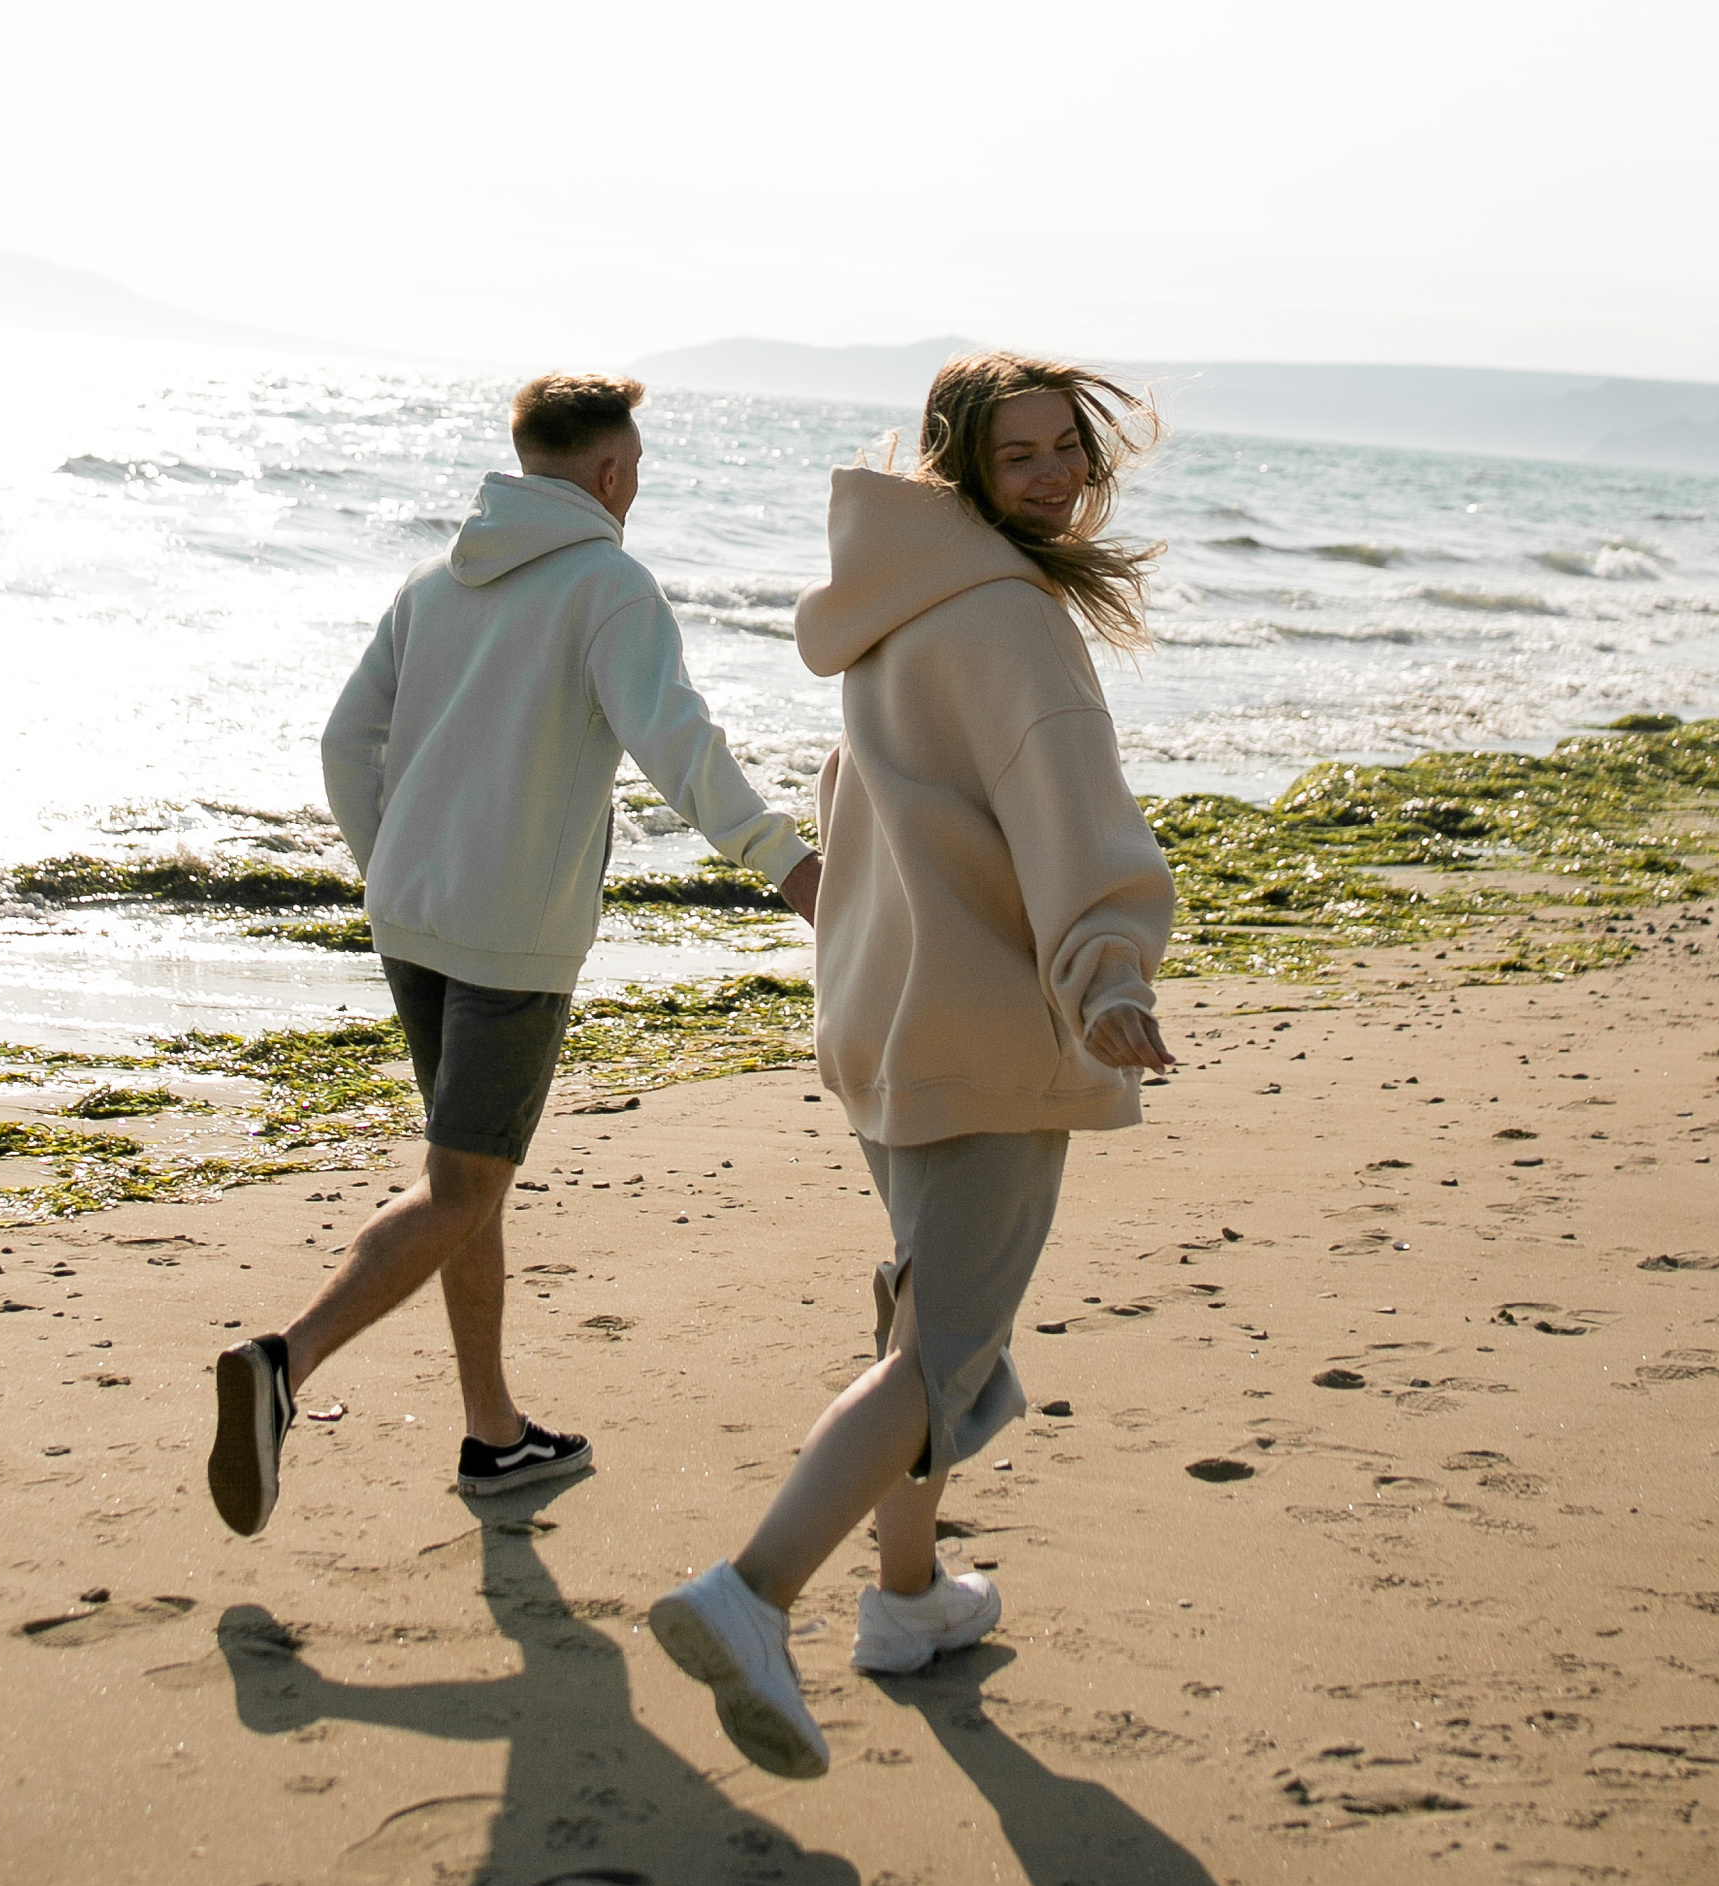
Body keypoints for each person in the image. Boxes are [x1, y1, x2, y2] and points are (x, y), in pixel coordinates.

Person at [649, 351, 1175, 1779]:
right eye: (1023, 459)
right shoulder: (1011, 621)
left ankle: (906, 1602)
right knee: (940, 1353)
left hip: (886, 1029)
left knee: (921, 1323)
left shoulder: (897, 613)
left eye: (1069, 448)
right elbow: (1065, 807)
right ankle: (752, 1595)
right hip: (987, 1033)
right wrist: (1107, 976)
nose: (1059, 475)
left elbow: (864, 811)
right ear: (963, 471)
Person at [207, 371, 822, 1537]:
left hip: (414, 919)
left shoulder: (433, 583)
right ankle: (282, 1363)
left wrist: (390, 863)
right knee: (463, 1184)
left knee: (465, 1176)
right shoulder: (610, 585)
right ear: (609, 474)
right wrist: (790, 862)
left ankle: (495, 1435)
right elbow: (675, 745)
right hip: (509, 941)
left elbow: (347, 742)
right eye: (631, 471)